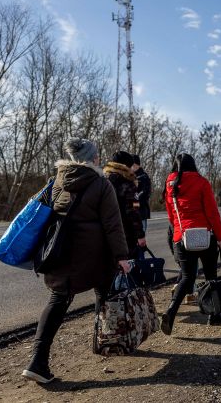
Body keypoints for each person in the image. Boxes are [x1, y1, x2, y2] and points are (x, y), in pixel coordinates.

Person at [22, 138, 131, 384]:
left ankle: (38, 361)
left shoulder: (56, 181)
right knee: (104, 292)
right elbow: (113, 225)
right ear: (93, 159)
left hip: (60, 250)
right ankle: (107, 342)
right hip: (94, 255)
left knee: (58, 300)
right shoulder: (101, 184)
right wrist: (122, 256)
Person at [162, 153, 221, 333]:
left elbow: (171, 214)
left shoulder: (170, 185)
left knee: (187, 277)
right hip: (205, 235)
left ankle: (171, 311)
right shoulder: (201, 182)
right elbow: (212, 212)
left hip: (181, 237)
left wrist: (177, 234)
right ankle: (214, 314)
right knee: (210, 276)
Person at [104, 151, 146, 260]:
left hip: (104, 232)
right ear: (126, 165)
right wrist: (140, 235)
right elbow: (134, 211)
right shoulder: (127, 183)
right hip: (125, 234)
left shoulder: (102, 181)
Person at [132, 154, 151, 232]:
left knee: (140, 236)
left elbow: (143, 195)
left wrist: (135, 206)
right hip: (132, 212)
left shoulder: (143, 177)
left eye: (132, 164)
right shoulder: (130, 176)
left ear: (136, 165)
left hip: (141, 211)